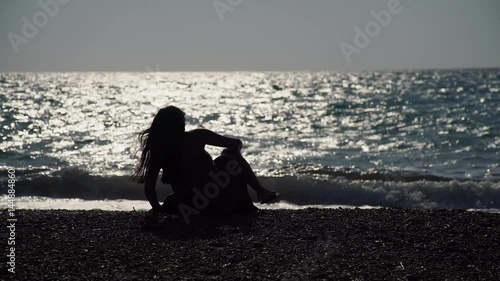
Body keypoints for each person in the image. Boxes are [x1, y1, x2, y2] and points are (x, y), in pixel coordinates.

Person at [131, 106, 280, 218]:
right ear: (178, 124)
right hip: (215, 197)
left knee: (172, 198)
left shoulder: (159, 151)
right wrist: (237, 153)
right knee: (227, 155)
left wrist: (157, 209)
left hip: (191, 205)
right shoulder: (197, 136)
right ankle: (261, 191)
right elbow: (236, 143)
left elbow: (150, 187)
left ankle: (255, 195)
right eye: (182, 121)